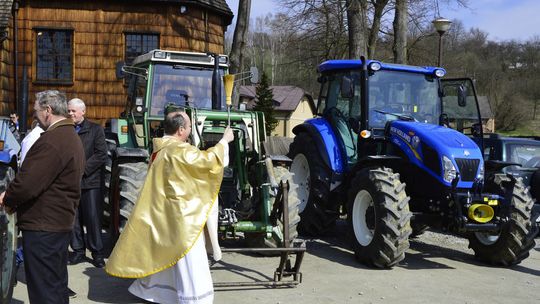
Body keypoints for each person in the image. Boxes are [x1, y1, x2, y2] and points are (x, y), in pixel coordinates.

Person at [105, 111, 234, 304]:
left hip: (164, 212)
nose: (190, 131)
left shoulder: (161, 149)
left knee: (166, 254)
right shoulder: (178, 151)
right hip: (183, 217)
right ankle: (193, 299)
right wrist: (224, 141)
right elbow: (209, 162)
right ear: (181, 130)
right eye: (189, 127)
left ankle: (159, 294)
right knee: (189, 261)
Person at [0, 90, 85, 304]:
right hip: (55, 224)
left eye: (37, 110)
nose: (35, 115)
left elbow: (28, 183)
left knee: (44, 291)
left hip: (44, 227)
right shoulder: (67, 135)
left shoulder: (53, 140)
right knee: (54, 286)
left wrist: (8, 199)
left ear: (48, 110)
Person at [67, 98, 107, 268]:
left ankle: (97, 253)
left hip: (90, 182)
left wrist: (82, 170)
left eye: (73, 111)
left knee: (92, 218)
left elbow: (101, 154)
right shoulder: (66, 130)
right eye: (68, 111)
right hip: (69, 182)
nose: (70, 114)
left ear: (83, 112)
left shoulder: (95, 130)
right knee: (73, 219)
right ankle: (78, 251)